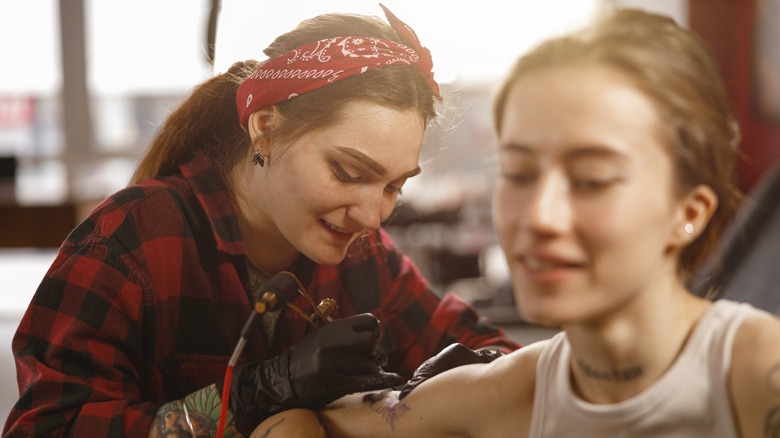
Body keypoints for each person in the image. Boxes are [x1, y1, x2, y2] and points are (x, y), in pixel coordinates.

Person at [250, 7, 780, 438]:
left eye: (592, 179)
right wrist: (276, 394)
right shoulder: (508, 393)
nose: (539, 216)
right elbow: (291, 425)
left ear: (687, 214)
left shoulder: (757, 374)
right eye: (519, 173)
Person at [2, 4, 520, 437]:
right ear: (265, 130)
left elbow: (490, 347)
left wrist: (479, 369)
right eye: (346, 171)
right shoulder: (132, 238)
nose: (371, 215)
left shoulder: (366, 255)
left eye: (393, 186)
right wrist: (257, 390)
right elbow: (47, 428)